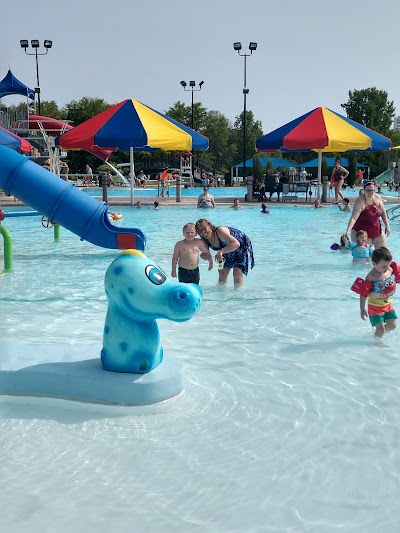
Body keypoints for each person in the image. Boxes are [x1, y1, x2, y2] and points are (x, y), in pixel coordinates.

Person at [353, 247, 398, 338]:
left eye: (388, 265)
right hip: (375, 307)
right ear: (374, 263)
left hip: (388, 304)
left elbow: (396, 279)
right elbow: (363, 294)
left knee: (392, 326)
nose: (386, 268)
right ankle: (377, 342)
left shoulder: (389, 270)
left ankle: (378, 333)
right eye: (383, 266)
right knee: (380, 330)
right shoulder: (371, 277)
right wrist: (362, 309)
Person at [195, 219, 255, 286]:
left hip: (240, 246)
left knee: (237, 273)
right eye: (200, 230)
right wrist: (204, 257)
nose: (203, 232)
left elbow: (236, 244)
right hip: (227, 249)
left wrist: (221, 251)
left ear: (210, 226)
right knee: (222, 272)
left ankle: (238, 295)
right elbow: (207, 254)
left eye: (205, 228)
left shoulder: (220, 231)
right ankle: (222, 294)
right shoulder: (204, 240)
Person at [342, 181, 390, 248]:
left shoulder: (377, 198)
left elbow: (383, 212)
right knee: (367, 256)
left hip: (377, 232)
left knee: (384, 255)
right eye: (368, 190)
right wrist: (348, 230)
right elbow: (354, 218)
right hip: (362, 234)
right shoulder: (360, 201)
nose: (370, 192)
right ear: (364, 190)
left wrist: (387, 226)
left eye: (372, 190)